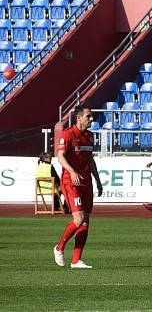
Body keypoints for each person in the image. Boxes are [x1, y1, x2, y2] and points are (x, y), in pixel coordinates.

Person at [53, 105, 103, 269]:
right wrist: (72, 171)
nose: (91, 119)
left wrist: (97, 180)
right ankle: (59, 248)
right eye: (88, 116)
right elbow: (60, 156)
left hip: (86, 182)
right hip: (71, 181)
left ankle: (76, 261)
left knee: (86, 222)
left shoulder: (89, 136)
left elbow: (90, 160)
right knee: (79, 219)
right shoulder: (68, 134)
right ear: (79, 117)